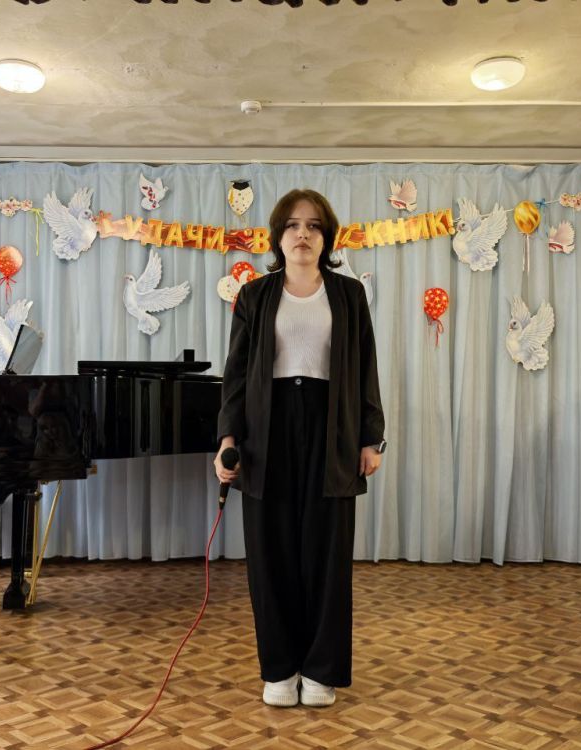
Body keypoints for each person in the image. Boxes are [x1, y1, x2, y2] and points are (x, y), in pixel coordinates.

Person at [214, 188, 386, 708]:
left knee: (325, 555)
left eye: (313, 225)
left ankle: (320, 672)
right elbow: (236, 376)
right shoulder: (254, 295)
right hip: (266, 432)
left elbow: (365, 368)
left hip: (332, 428)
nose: (303, 234)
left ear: (326, 237)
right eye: (292, 225)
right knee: (271, 555)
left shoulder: (349, 295)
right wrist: (227, 438)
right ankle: (279, 670)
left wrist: (371, 437)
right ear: (278, 236)